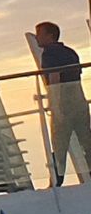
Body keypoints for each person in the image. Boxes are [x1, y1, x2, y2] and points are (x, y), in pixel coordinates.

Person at [37, 21, 91, 186]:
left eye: (40, 34)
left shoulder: (49, 54)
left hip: (64, 105)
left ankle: (56, 181)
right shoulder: (70, 52)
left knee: (59, 144)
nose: (37, 38)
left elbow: (54, 78)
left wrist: (55, 105)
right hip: (79, 102)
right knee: (86, 141)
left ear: (50, 36)